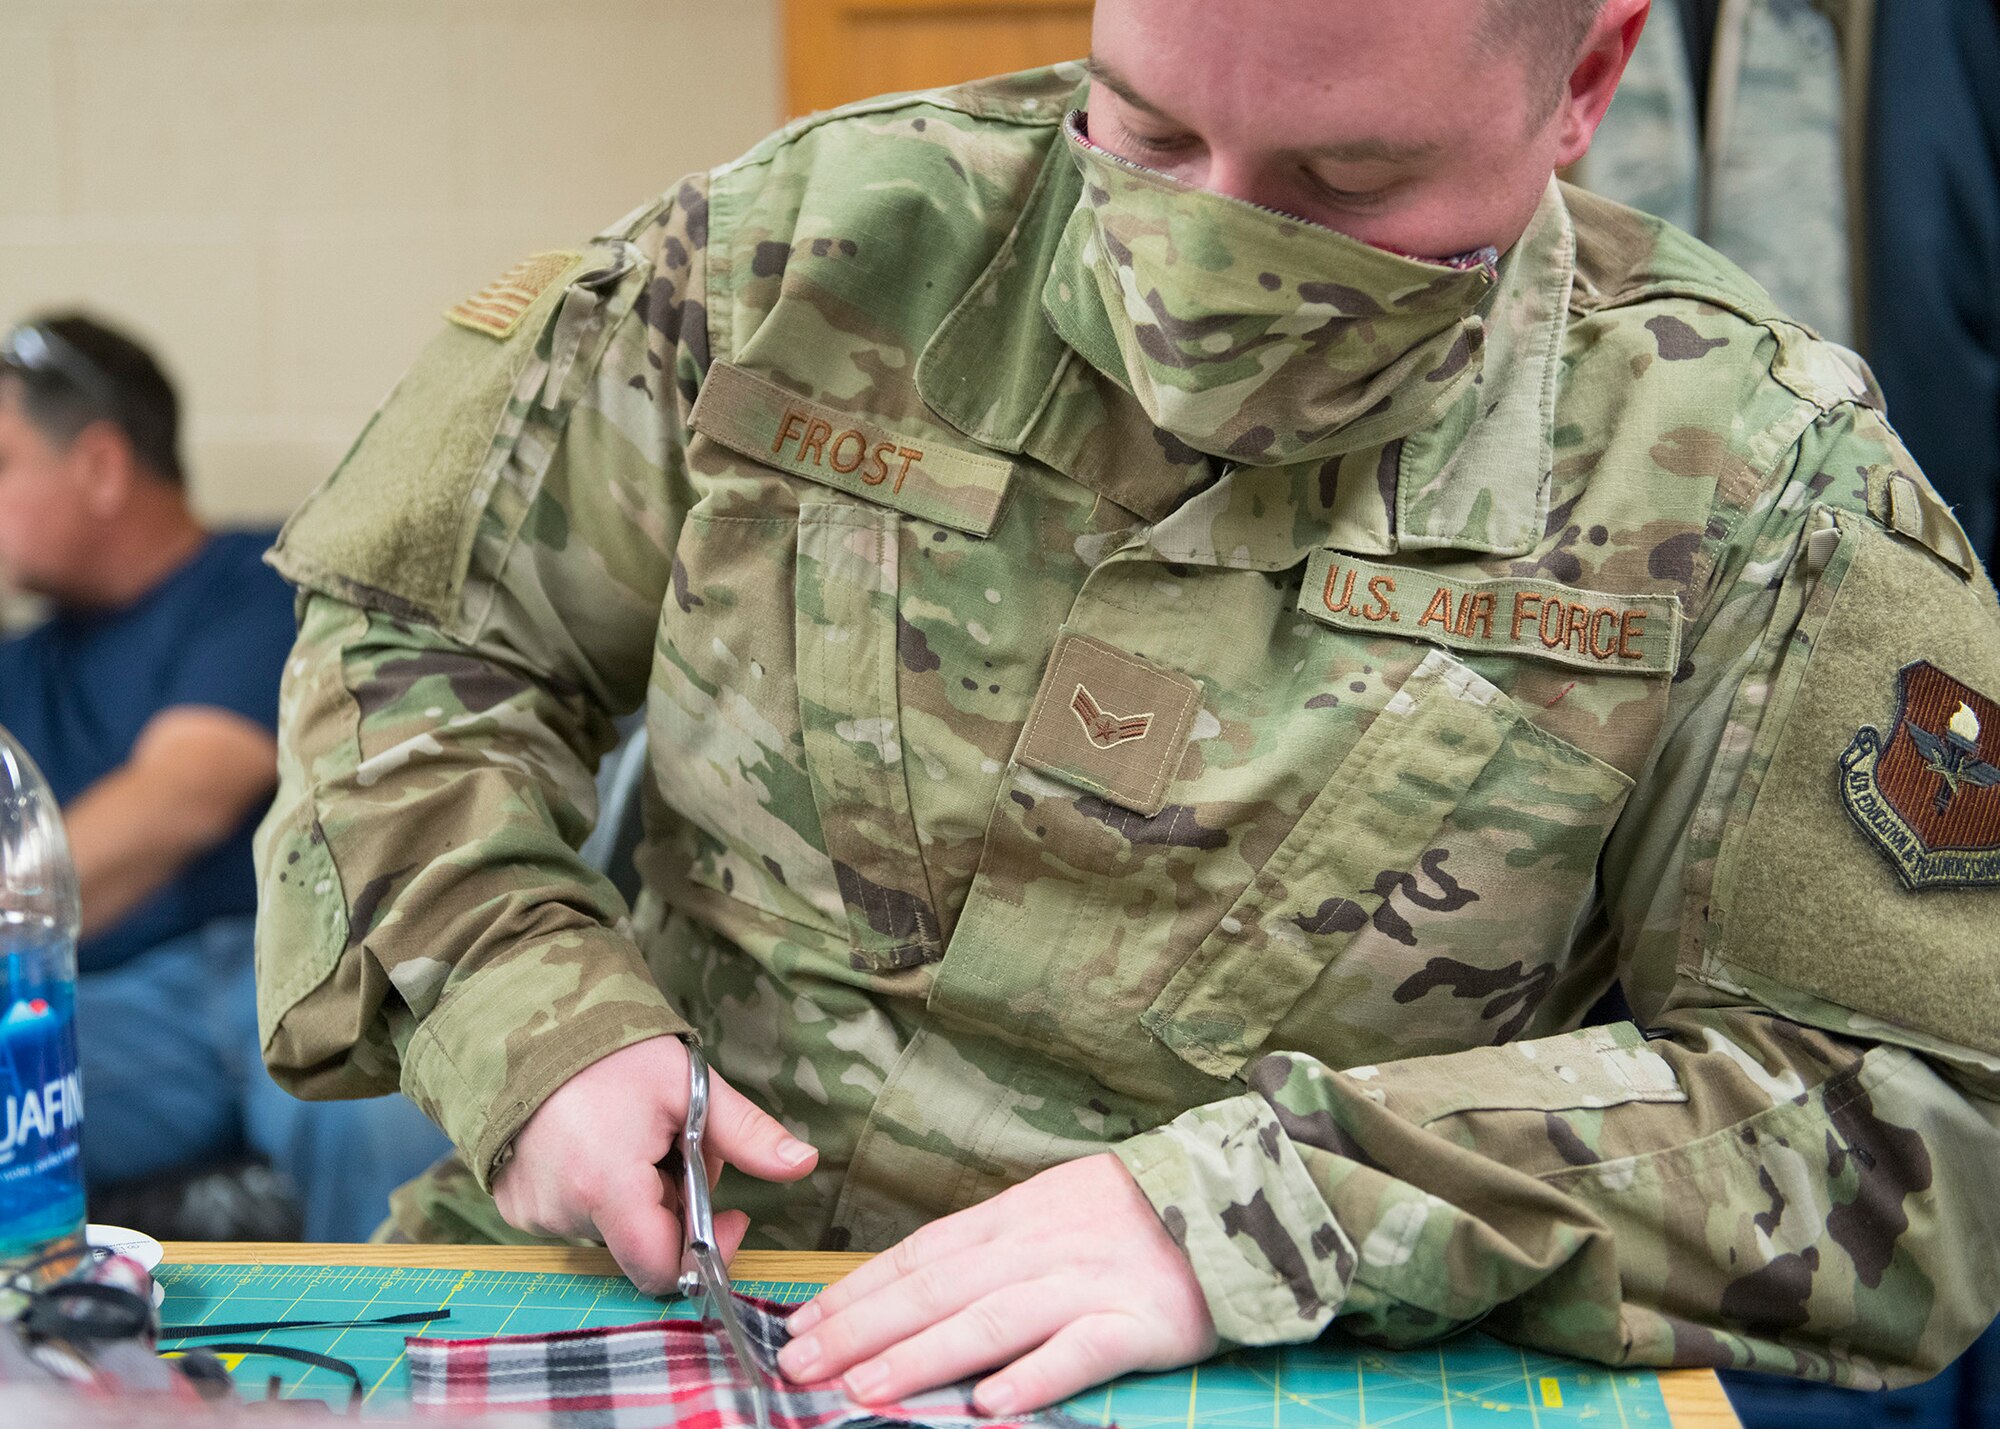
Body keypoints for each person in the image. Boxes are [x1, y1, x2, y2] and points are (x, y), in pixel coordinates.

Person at [256, 0, 2000, 1412]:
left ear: (1589, 79)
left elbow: (1903, 1112)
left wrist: (1269, 1211)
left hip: (1278, 1352)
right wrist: (529, 1003)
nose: (1206, 247)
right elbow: (416, 640)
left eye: (1342, 181)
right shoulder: (807, 256)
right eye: (1150, 135)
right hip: (667, 1281)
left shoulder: (1756, 479)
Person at [0, 313, 448, 1242]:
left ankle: (399, 1381)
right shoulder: (23, 659)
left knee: (379, 1121)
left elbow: (184, 798)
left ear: (100, 467)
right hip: (121, 1008)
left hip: (293, 967)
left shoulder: (258, 583)